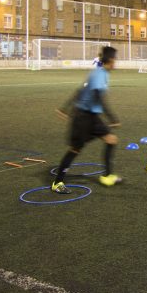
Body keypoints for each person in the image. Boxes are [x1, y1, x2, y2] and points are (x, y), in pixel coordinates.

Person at [52, 46, 123, 194]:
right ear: (110, 59)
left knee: (111, 140)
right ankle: (57, 182)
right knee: (75, 149)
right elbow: (98, 95)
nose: (116, 61)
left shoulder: (102, 73)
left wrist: (64, 108)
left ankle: (107, 176)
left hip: (92, 116)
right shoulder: (99, 74)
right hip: (82, 117)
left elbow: (80, 90)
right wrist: (112, 118)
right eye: (116, 58)